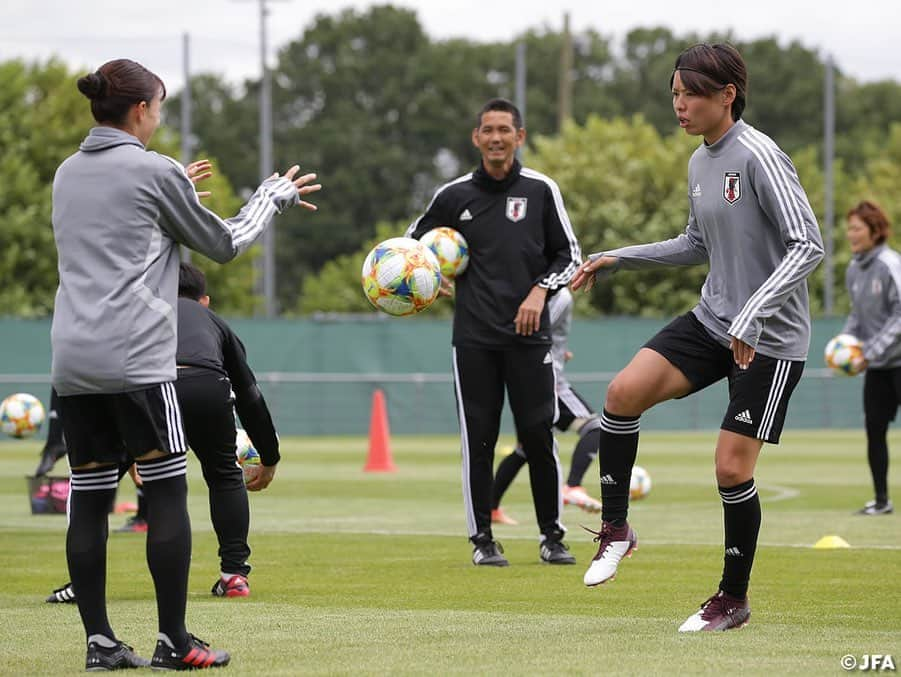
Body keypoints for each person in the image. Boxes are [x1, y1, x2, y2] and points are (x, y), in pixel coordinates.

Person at [51, 58, 320, 670]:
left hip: (72, 359)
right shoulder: (153, 169)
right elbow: (223, 244)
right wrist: (270, 197)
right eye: (161, 107)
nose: (160, 117)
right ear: (142, 109)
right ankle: (173, 639)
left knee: (89, 498)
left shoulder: (67, 173)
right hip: (139, 360)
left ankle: (99, 643)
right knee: (169, 490)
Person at [572, 43, 824, 632]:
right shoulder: (699, 162)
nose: (680, 106)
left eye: (690, 94)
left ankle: (732, 599)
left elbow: (808, 245)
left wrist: (754, 314)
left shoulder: (760, 156)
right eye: (676, 95)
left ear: (727, 95)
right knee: (621, 394)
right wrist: (618, 256)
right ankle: (616, 529)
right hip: (716, 320)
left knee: (732, 470)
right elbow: (696, 243)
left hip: (770, 339)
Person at [407, 98, 582, 566]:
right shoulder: (453, 195)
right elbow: (410, 248)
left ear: (520, 136)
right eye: (488, 130)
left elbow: (571, 257)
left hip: (531, 339)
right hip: (474, 341)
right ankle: (482, 540)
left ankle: (552, 536)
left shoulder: (542, 190)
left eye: (505, 129)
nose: (497, 138)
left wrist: (538, 293)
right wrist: (430, 279)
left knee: (538, 436)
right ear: (476, 138)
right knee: (478, 439)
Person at [174, 261, 281, 596]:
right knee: (223, 473)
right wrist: (270, 456)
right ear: (204, 300)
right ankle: (234, 574)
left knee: (107, 478)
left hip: (154, 383)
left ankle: (84, 581)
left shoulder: (141, 310)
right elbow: (250, 397)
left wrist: (127, 449)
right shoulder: (216, 323)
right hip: (208, 382)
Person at [491, 287, 603, 525]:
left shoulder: (527, 290)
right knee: (594, 428)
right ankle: (572, 486)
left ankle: (490, 509)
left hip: (525, 377)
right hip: (548, 381)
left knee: (526, 447)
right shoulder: (560, 295)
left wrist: (560, 352)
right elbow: (533, 328)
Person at [842, 200, 898, 516]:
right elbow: (857, 316)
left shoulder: (890, 264)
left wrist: (871, 351)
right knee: (874, 430)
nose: (850, 234)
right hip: (877, 367)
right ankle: (881, 500)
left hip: (895, 362)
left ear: (874, 231)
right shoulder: (853, 270)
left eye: (856, 228)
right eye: (849, 228)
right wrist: (845, 344)